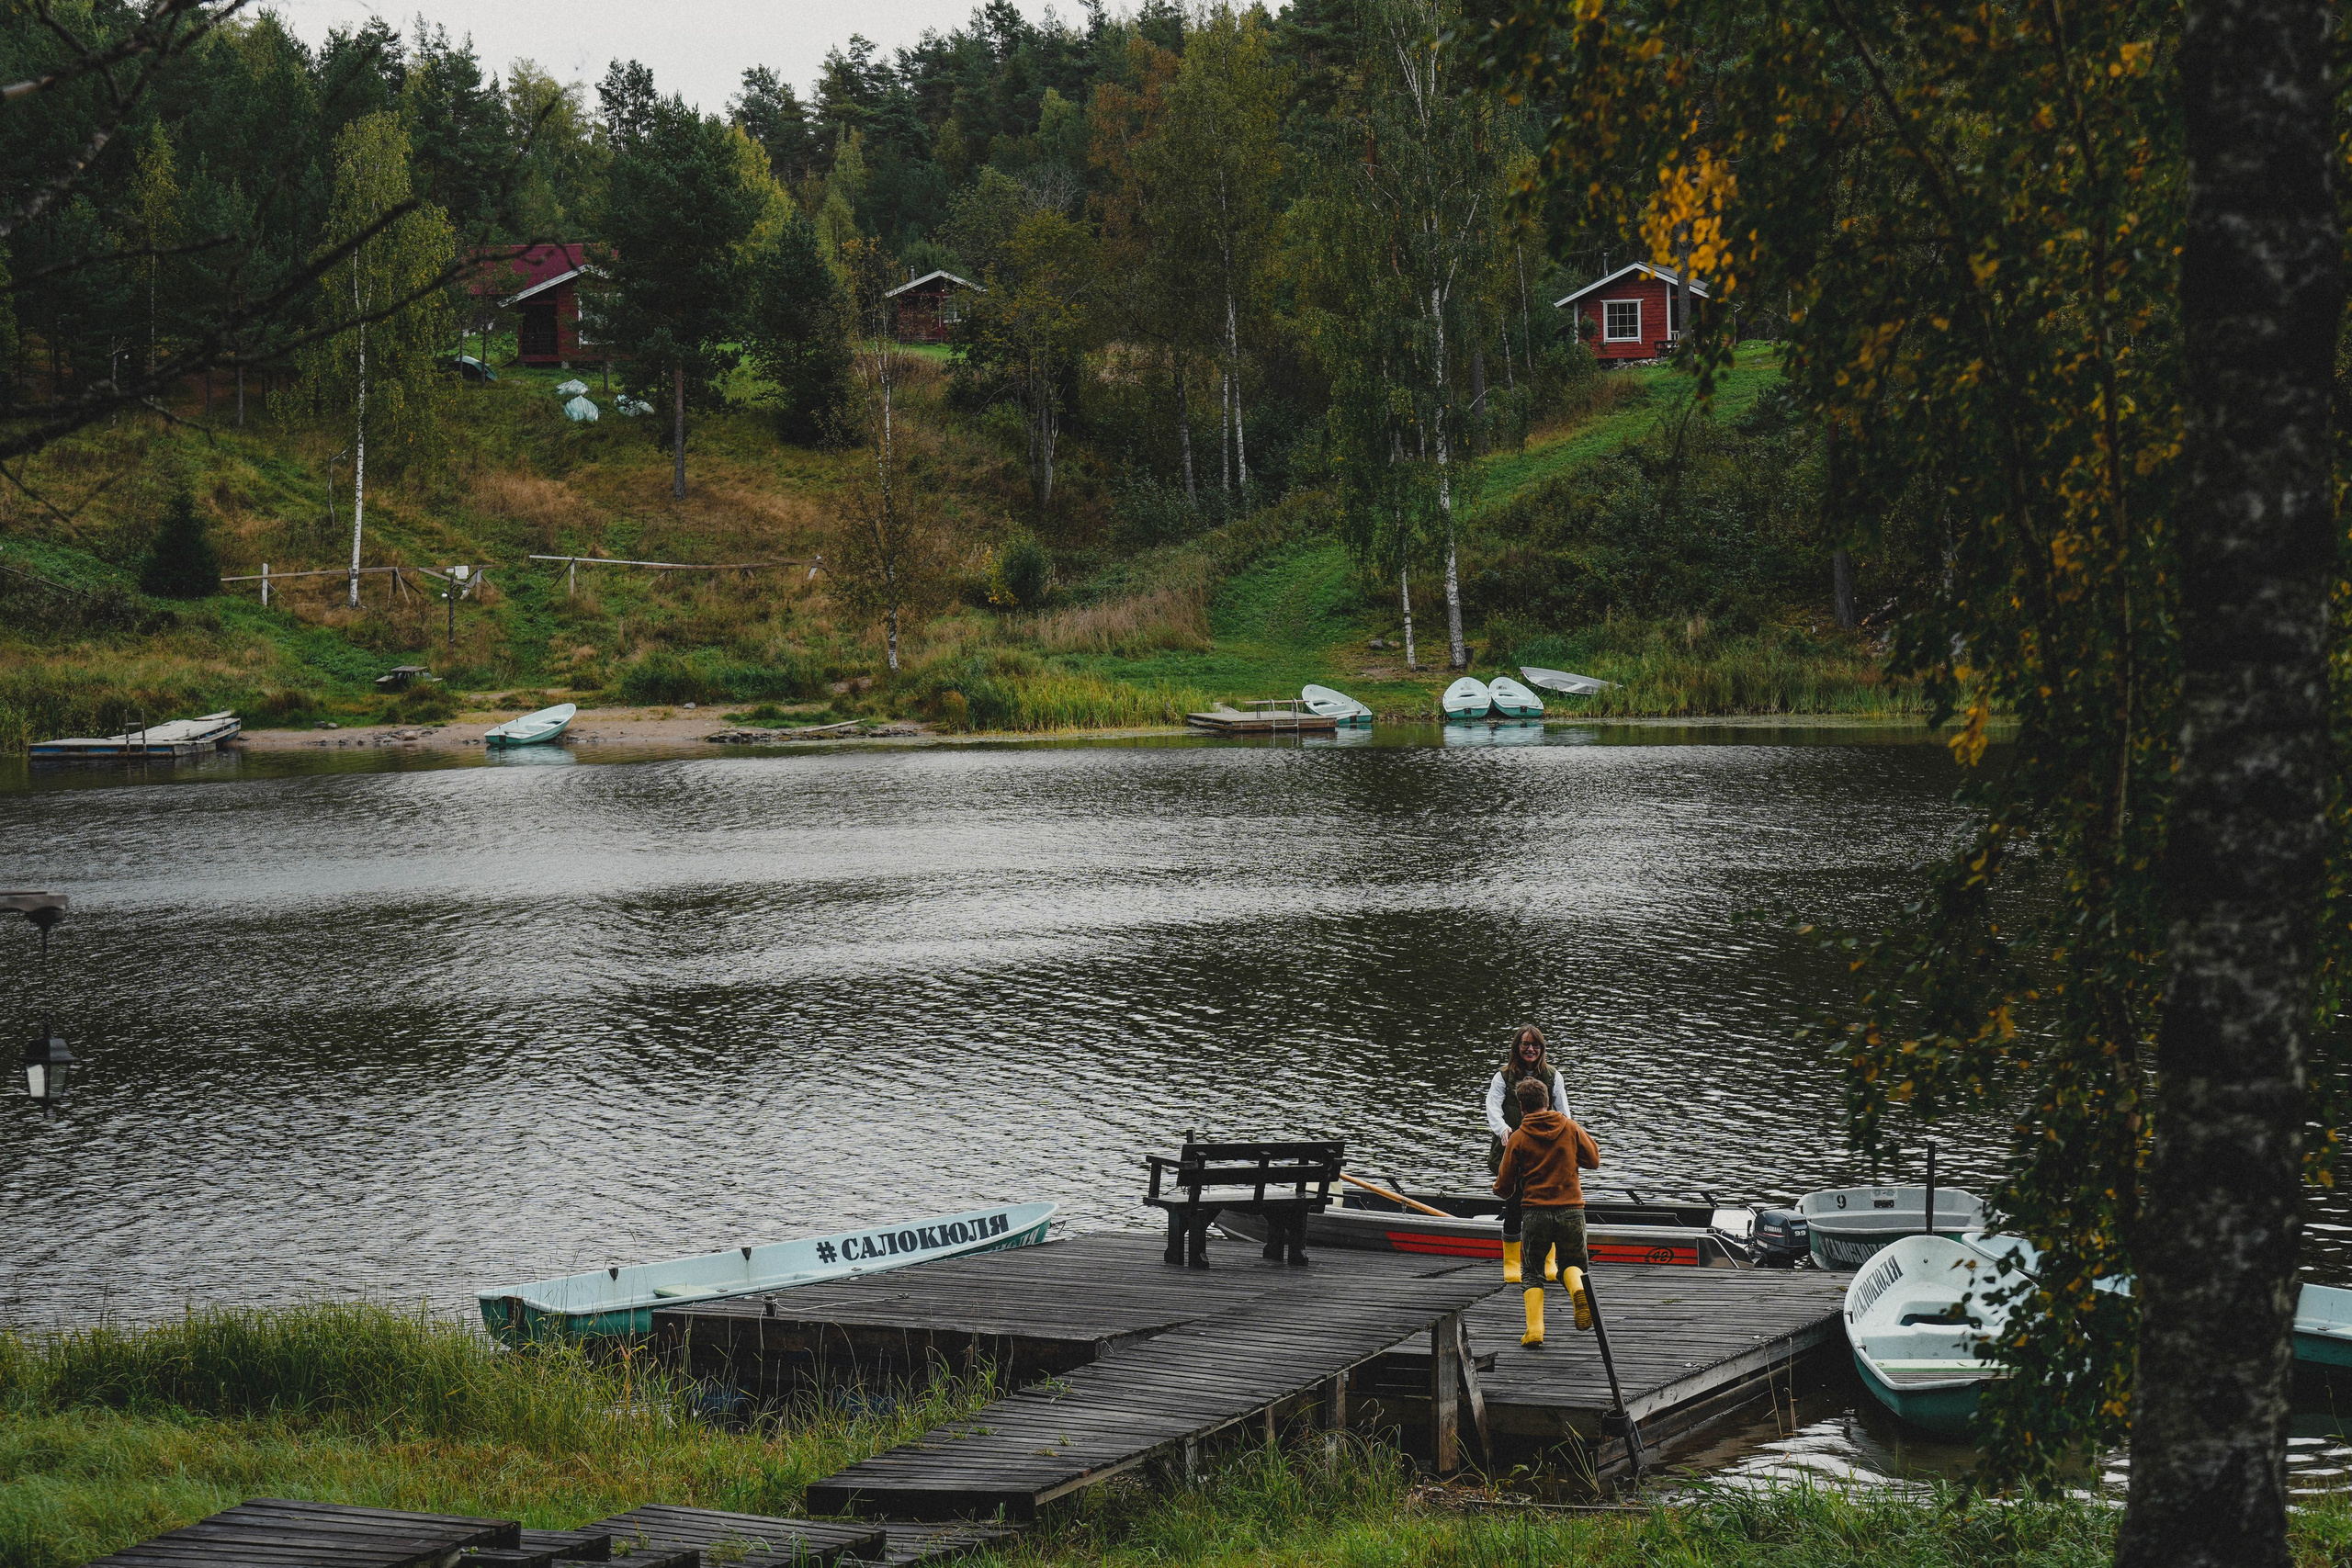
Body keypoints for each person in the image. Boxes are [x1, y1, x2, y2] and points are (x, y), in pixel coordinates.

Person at [1492, 1076, 1601, 1348]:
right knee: (1572, 1264)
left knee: (1531, 1272)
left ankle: (1535, 1330)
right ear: (1549, 1101)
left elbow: (1505, 1186)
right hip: (1571, 1210)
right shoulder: (1570, 1127)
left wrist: (1498, 1188)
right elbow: (1594, 1160)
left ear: (1521, 1106)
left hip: (1535, 1212)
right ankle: (1577, 1289)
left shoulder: (1518, 1138)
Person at [1485, 1025, 1571, 1282]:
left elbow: (1564, 1112)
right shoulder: (1503, 1076)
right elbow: (1492, 1107)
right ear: (1517, 1047)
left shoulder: (1553, 1076)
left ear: (1541, 1049)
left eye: (1535, 1045)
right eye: (1525, 1044)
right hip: (1512, 1148)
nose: (1530, 1049)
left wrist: (1565, 1141)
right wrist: (1503, 1130)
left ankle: (1548, 1261)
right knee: (1514, 1205)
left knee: (1548, 1207)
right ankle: (1512, 1263)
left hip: (1544, 1152)